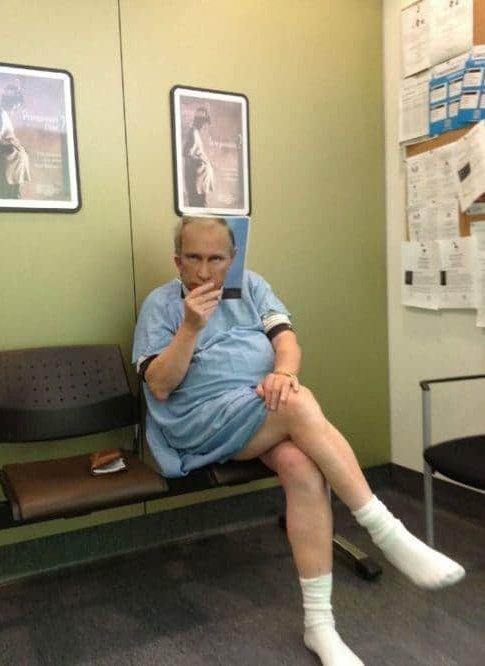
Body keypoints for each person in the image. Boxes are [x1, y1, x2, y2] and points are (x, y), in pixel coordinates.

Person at [133, 216, 465, 666]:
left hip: (257, 407)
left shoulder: (253, 287)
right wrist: (190, 327)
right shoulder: (160, 305)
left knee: (301, 467)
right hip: (197, 419)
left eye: (216, 259)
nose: (205, 271)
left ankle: (320, 626)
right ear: (177, 261)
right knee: (298, 402)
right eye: (193, 258)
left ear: (233, 259)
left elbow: (287, 342)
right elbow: (159, 386)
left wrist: (284, 372)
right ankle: (388, 533)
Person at [0, 84, 30, 199]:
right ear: (11, 102)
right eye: (17, 105)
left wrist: (19, 148)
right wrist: (10, 148)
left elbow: (5, 137)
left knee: (13, 196)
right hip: (7, 168)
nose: (16, 109)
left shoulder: (3, 115)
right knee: (8, 197)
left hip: (13, 169)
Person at [182, 106, 214, 208]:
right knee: (198, 206)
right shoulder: (193, 133)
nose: (205, 127)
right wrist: (200, 160)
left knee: (201, 204)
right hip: (196, 178)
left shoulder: (196, 133)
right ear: (200, 122)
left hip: (200, 179)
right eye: (205, 123)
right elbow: (186, 153)